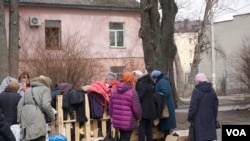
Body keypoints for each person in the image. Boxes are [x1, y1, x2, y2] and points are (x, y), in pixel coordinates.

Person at [17, 75, 56, 141]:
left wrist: (19, 120)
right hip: (37, 116)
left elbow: (19, 105)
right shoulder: (45, 89)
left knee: (28, 138)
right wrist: (52, 117)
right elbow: (46, 105)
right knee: (39, 137)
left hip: (25, 116)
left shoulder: (28, 90)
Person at [109, 72, 141, 141]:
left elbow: (111, 106)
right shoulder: (132, 92)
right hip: (128, 122)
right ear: (131, 80)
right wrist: (138, 117)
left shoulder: (115, 91)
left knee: (122, 137)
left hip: (117, 120)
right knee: (125, 138)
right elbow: (136, 109)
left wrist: (112, 116)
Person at [187, 73, 218, 141]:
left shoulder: (196, 91)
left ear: (198, 81)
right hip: (210, 119)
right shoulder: (212, 91)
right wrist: (214, 118)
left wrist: (190, 118)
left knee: (200, 138)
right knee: (209, 138)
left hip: (199, 120)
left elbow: (193, 107)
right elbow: (215, 107)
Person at [151, 70, 177, 139]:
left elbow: (166, 93)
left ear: (155, 78)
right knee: (165, 128)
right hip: (164, 107)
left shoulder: (162, 81)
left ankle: (167, 138)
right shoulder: (161, 81)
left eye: (152, 79)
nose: (153, 81)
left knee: (166, 127)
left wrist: (156, 95)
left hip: (166, 108)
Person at [135, 72, 157, 141]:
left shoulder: (141, 83)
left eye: (134, 77)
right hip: (150, 109)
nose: (134, 79)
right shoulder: (149, 82)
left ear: (137, 76)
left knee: (141, 127)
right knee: (148, 127)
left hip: (143, 109)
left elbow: (139, 97)